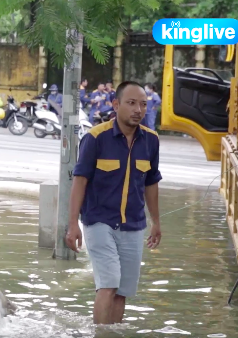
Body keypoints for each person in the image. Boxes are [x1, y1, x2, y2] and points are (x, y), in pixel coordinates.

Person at [65, 81, 162, 325]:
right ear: (115, 104)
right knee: (108, 285)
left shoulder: (151, 140)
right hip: (99, 221)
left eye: (142, 104)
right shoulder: (95, 138)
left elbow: (151, 183)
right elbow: (80, 181)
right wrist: (72, 225)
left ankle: (112, 333)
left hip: (134, 224)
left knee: (122, 292)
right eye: (131, 103)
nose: (138, 109)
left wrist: (156, 222)